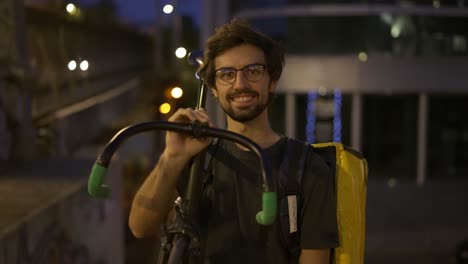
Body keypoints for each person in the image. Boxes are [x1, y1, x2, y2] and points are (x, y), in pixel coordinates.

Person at [129, 18, 339, 264]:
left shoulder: (307, 167)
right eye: (226, 74)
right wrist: (173, 156)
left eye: (253, 71)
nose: (240, 84)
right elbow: (140, 226)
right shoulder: (196, 158)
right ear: (214, 88)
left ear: (272, 82)